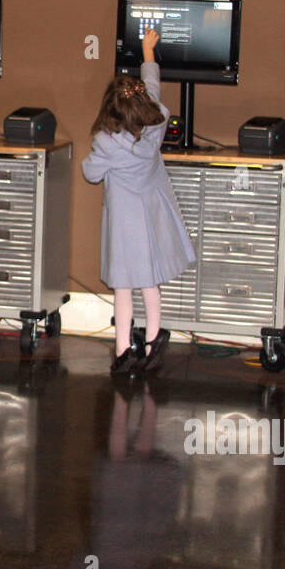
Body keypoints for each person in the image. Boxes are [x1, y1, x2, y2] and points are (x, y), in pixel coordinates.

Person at [83, 28, 195, 374]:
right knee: (150, 283)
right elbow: (154, 86)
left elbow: (91, 174)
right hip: (152, 217)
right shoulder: (156, 121)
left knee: (123, 287)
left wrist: (93, 159)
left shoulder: (106, 142)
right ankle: (151, 342)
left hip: (125, 227)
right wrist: (149, 51)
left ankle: (122, 352)